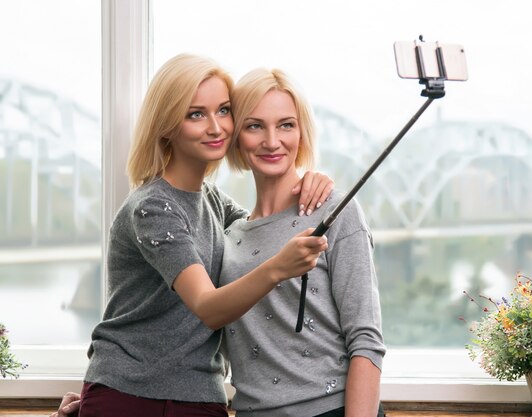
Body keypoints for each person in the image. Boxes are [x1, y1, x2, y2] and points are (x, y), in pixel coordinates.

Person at [50, 54, 332, 417]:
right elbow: (209, 308)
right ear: (167, 125)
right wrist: (279, 268)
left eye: (224, 110)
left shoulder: (214, 202)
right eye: (195, 114)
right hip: (129, 396)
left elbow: (263, 228)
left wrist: (311, 179)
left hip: (201, 397)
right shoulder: (153, 207)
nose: (216, 128)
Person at [220, 68, 386, 416]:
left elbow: (366, 341)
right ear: (235, 135)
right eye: (254, 126)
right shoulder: (228, 235)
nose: (271, 140)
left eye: (286, 125)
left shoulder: (336, 211)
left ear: (302, 132)